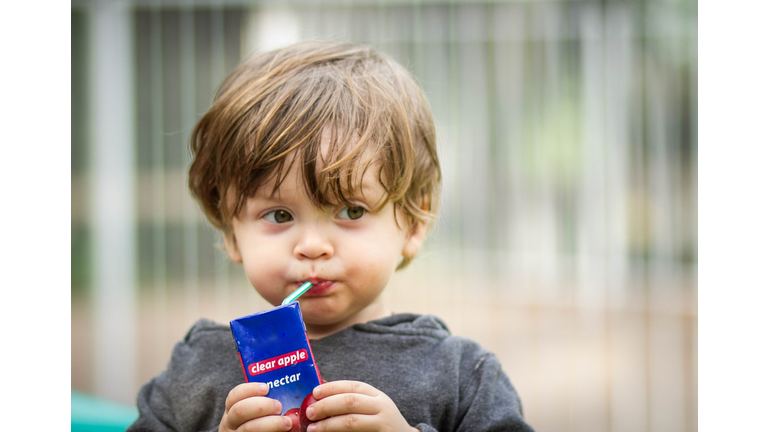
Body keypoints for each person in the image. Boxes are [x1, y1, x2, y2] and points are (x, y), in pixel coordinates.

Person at [128, 41, 534, 432]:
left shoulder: (460, 375)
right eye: (279, 214)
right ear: (231, 232)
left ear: (413, 223)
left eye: (351, 211)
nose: (312, 246)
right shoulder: (195, 372)